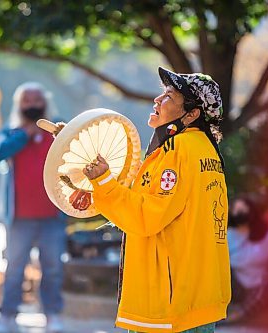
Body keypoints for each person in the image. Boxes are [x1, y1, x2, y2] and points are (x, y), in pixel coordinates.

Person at [82, 67, 231, 333]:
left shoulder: (179, 149)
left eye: (169, 97)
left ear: (192, 114)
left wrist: (103, 184)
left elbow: (147, 216)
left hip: (170, 306)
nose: (157, 100)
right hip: (196, 300)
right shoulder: (205, 150)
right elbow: (149, 197)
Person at [0, 82, 66, 333]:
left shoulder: (59, 129)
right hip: (19, 218)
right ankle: (8, 317)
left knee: (53, 268)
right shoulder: (10, 132)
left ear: (45, 102)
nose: (32, 104)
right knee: (14, 269)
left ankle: (52, 315)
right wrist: (25, 132)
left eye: (37, 99)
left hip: (52, 217)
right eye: (27, 100)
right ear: (19, 104)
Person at [227, 196, 268, 324]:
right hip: (236, 289)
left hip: (260, 289)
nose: (239, 213)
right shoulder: (228, 235)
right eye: (236, 210)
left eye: (243, 209)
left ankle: (238, 316)